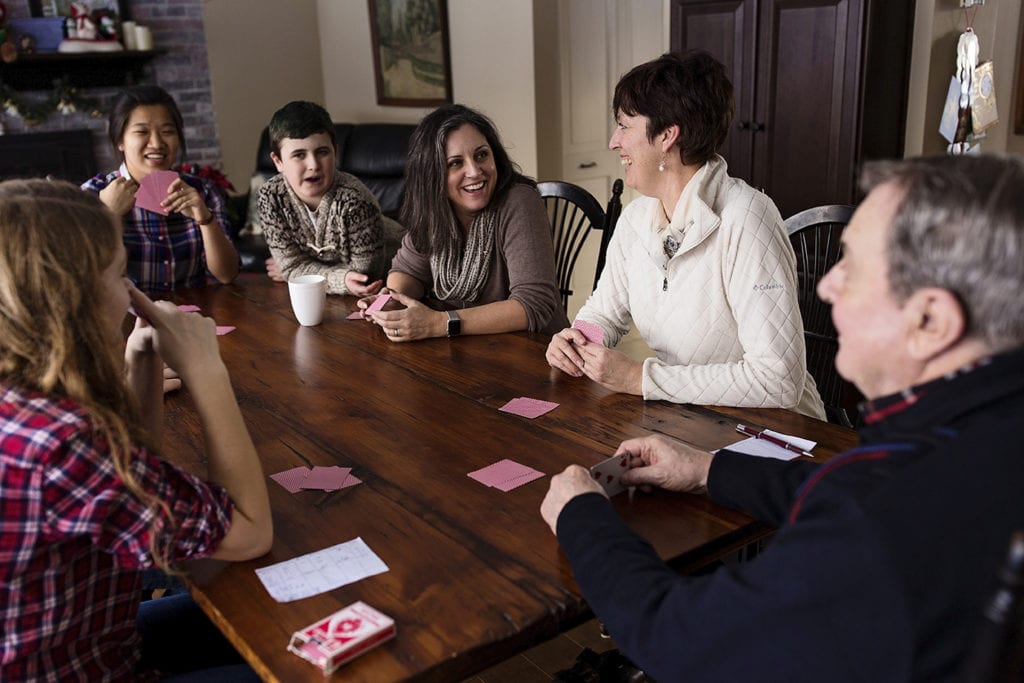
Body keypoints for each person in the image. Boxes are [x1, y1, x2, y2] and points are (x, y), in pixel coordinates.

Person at [539, 154, 1024, 681]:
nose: (826, 286)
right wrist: (708, 470)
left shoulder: (876, 530)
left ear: (931, 321)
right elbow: (860, 488)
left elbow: (680, 638)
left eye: (853, 267)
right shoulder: (974, 437)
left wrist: (582, 517)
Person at [0, 179, 272, 680]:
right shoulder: (62, 442)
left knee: (267, 615)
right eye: (120, 274)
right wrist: (206, 371)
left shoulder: (28, 398)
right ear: (72, 298)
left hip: (90, 636)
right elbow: (251, 532)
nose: (130, 292)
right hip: (97, 668)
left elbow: (136, 480)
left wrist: (139, 364)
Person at [545, 52, 824, 418]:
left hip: (775, 431)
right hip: (690, 416)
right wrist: (576, 341)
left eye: (624, 126)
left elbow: (779, 380)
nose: (614, 142)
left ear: (666, 135)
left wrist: (641, 379)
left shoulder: (748, 218)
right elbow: (605, 313)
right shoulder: (634, 220)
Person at [359, 104, 567, 341]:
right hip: (466, 349)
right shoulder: (433, 210)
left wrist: (438, 323)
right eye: (455, 163)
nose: (475, 171)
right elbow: (408, 271)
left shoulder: (519, 201)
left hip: (535, 351)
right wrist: (393, 300)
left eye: (481, 155)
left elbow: (533, 304)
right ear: (432, 175)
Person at [82, 84, 240, 293]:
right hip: (126, 318)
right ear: (120, 140)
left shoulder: (203, 190)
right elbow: (76, 276)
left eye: (167, 132)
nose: (156, 143)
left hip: (193, 316)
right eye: (142, 132)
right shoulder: (92, 194)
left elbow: (227, 275)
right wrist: (107, 216)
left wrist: (205, 219)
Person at [258, 100, 403, 296]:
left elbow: (364, 277)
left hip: (395, 278)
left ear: (335, 151)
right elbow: (292, 268)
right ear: (278, 161)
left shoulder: (355, 201)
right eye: (299, 155)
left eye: (322, 152)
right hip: (342, 293)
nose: (313, 165)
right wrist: (335, 277)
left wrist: (302, 272)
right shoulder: (271, 197)